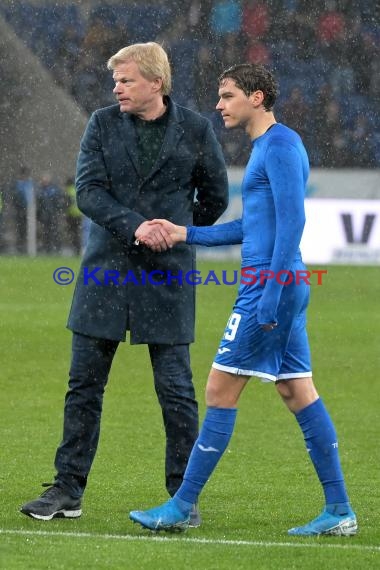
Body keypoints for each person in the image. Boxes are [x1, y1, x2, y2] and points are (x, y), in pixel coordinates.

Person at [129, 63, 358, 536]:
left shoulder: (279, 145)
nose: (219, 104)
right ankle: (339, 511)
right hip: (280, 282)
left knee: (218, 390)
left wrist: (271, 292)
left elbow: (294, 221)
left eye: (228, 95)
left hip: (268, 286)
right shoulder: (268, 147)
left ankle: (180, 506)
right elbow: (252, 227)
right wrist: (184, 233)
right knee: (296, 390)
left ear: (256, 98)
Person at [20, 42, 228, 522]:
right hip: (106, 271)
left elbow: (214, 195)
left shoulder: (195, 129)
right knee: (83, 387)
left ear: (157, 82)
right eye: (116, 81)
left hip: (167, 272)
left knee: (175, 390)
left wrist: (171, 230)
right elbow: (88, 191)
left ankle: (182, 498)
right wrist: (137, 226)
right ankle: (67, 491)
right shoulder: (101, 123)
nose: (117, 88)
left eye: (127, 80)